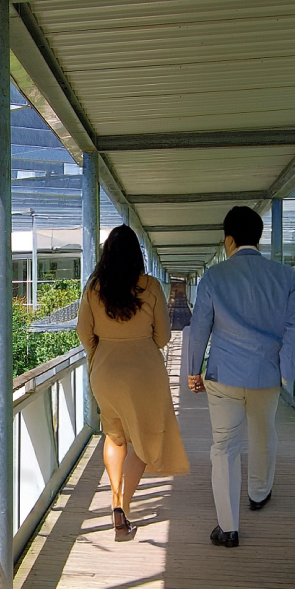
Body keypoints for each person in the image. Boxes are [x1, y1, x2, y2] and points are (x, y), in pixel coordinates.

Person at [185, 206, 295, 548]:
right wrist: (285, 372)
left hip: (223, 374)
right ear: (259, 235)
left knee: (224, 446)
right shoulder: (284, 276)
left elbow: (199, 328)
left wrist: (193, 370)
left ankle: (228, 527)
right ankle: (258, 493)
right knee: (263, 432)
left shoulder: (215, 276)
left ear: (229, 239)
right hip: (267, 375)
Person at [77, 225, 190, 541]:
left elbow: (84, 334)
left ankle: (113, 502)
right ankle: (124, 508)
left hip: (106, 371)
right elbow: (164, 337)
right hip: (144, 372)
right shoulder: (150, 286)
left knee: (114, 436)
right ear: (137, 254)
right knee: (142, 439)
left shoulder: (94, 288)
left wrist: (104, 350)